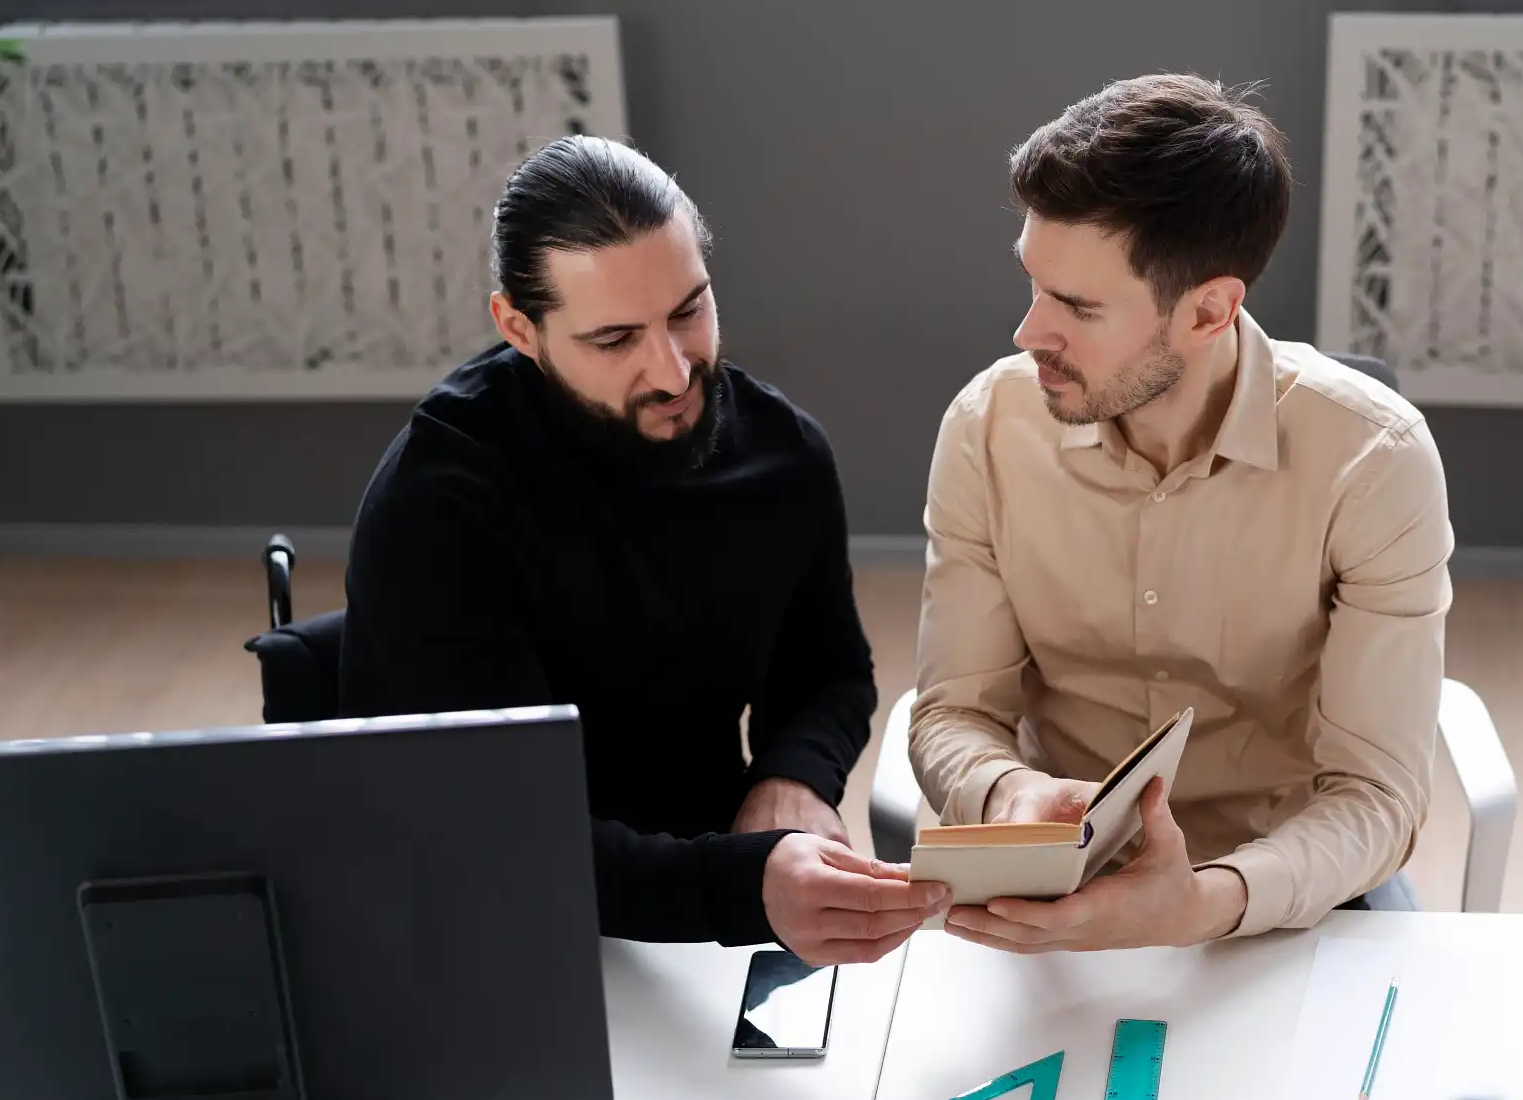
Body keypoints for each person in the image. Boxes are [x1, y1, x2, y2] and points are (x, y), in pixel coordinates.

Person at [340, 136, 948, 964]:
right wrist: (743, 888)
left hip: (703, 886)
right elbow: (501, 828)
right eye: (616, 339)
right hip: (479, 904)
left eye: (689, 311)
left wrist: (791, 776)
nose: (671, 373)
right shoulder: (438, 501)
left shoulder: (783, 452)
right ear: (520, 327)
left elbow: (827, 669)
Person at [912, 75, 1453, 953]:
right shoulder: (987, 428)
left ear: (1208, 310)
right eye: (1036, 285)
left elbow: (1376, 795)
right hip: (1048, 882)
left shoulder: (1374, 460)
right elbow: (951, 713)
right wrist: (1008, 795)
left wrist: (1207, 901)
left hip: (1278, 892)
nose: (1026, 334)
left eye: (1079, 307)